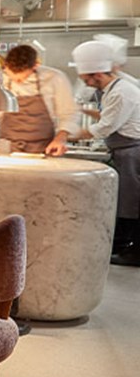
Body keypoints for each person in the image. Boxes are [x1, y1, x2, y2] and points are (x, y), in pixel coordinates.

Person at [72, 39, 140, 266]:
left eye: (86, 80)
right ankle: (122, 246)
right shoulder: (113, 91)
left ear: (97, 75)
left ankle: (132, 252)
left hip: (132, 153)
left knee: (131, 203)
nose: (88, 85)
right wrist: (83, 110)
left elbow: (104, 128)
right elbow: (107, 119)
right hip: (123, 150)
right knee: (125, 201)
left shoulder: (122, 92)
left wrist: (64, 135)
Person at [0, 43, 77, 156]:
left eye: (20, 79)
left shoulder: (54, 78)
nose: (16, 82)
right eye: (11, 76)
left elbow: (68, 114)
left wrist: (60, 139)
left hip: (44, 149)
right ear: (6, 66)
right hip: (7, 149)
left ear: (35, 66)